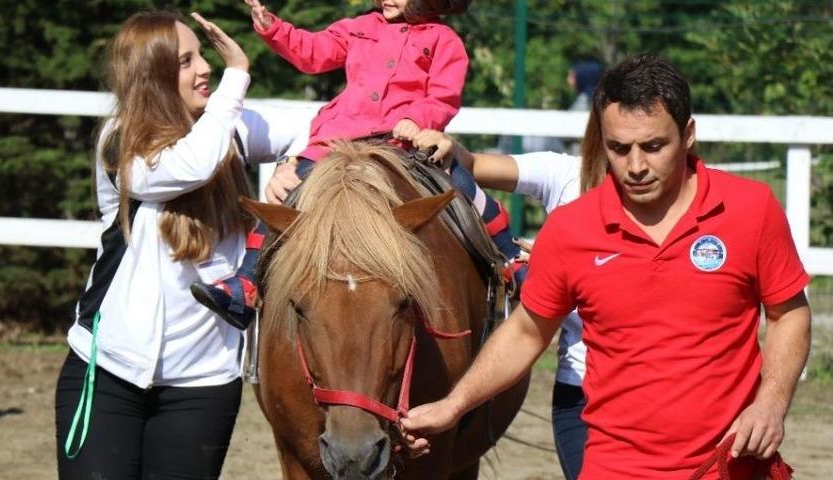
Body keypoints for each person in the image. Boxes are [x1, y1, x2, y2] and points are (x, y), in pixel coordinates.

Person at [400, 54, 812, 480]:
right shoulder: (572, 228)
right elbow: (526, 332)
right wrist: (453, 405)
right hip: (615, 467)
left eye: (653, 146)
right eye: (619, 148)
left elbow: (790, 314)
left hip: (731, 465)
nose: (635, 166)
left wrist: (771, 403)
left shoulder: (750, 208)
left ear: (688, 135)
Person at [55, 11, 301, 479]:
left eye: (201, 56)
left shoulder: (229, 128)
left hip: (204, 384)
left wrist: (294, 163)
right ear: (153, 75)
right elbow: (187, 166)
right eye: (186, 61)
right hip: (106, 373)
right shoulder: (119, 140)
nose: (205, 68)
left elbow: (321, 128)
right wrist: (237, 76)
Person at [191, 0, 527, 328]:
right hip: (336, 142)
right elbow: (313, 52)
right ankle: (245, 284)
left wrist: (416, 120)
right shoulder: (358, 27)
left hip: (401, 144)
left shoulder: (445, 40)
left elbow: (443, 96)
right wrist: (273, 28)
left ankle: (511, 259)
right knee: (287, 196)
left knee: (461, 185)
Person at [412, 129, 587, 479]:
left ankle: (509, 256)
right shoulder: (567, 174)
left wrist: (563, 263)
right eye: (618, 145)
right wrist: (450, 147)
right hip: (584, 390)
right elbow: (471, 163)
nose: (635, 164)